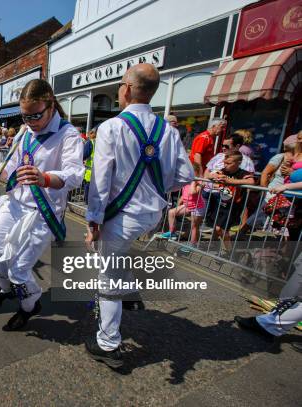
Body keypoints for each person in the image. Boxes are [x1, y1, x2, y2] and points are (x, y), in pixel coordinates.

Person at [84, 63, 194, 368]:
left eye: (120, 84)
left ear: (128, 89)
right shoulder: (168, 130)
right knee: (121, 258)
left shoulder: (111, 128)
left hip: (121, 217)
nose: (119, 90)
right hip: (152, 215)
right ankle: (130, 295)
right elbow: (186, 175)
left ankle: (107, 344)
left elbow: (100, 181)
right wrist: (154, 188)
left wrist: (93, 222)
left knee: (107, 276)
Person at [0, 79, 84, 331]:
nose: (30, 122)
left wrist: (45, 178)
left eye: (36, 116)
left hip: (42, 212)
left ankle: (29, 306)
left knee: (19, 268)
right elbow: (11, 166)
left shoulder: (68, 134)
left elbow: (76, 174)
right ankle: (5, 290)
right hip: (15, 203)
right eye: (25, 116)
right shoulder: (24, 132)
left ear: (51, 106)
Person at [203, 151, 255, 252]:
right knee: (217, 227)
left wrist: (231, 181)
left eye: (229, 163)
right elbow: (208, 175)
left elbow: (251, 181)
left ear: (238, 163)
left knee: (221, 229)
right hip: (221, 203)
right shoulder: (223, 171)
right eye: (225, 162)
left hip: (233, 206)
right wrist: (214, 176)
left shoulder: (242, 173)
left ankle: (229, 251)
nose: (225, 165)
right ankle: (218, 246)